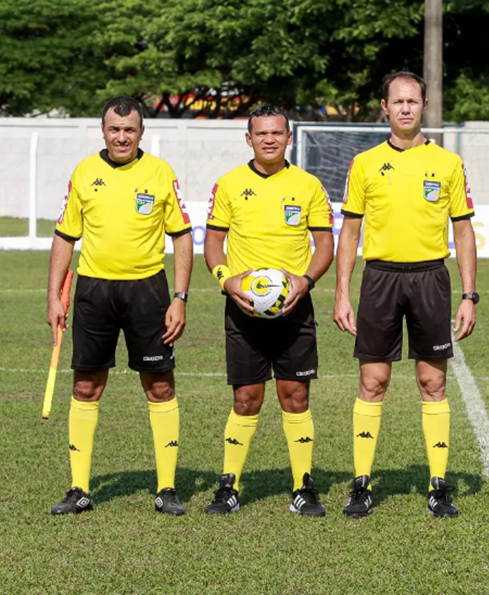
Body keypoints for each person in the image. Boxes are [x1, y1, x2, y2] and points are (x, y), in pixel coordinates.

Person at [333, 71, 478, 518]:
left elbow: (463, 230)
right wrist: (342, 293)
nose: (405, 108)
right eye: (397, 101)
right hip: (380, 279)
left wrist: (469, 295)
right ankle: (361, 484)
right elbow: (350, 231)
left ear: (424, 106)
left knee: (432, 383)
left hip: (430, 279)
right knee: (372, 381)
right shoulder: (364, 163)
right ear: (385, 107)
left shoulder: (448, 163)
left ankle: (438, 484)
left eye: (413, 101)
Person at [47, 96, 194, 516]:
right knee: (85, 387)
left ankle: (167, 488)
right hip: (94, 291)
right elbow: (65, 236)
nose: (122, 137)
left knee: (160, 386)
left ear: (141, 132)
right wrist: (54, 295)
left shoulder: (160, 173)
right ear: (103, 131)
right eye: (114, 129)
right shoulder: (84, 172)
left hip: (148, 291)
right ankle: (79, 489)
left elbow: (182, 235)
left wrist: (180, 297)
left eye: (130, 130)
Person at [203, 104, 334, 517]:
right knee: (246, 397)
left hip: (295, 307)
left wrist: (305, 281)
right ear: (249, 139)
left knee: (295, 395)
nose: (270, 139)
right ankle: (229, 486)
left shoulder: (309, 185)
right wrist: (226, 280)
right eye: (261, 133)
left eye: (277, 132)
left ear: (289, 137)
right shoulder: (228, 184)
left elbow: (325, 245)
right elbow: (213, 243)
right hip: (243, 308)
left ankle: (303, 486)